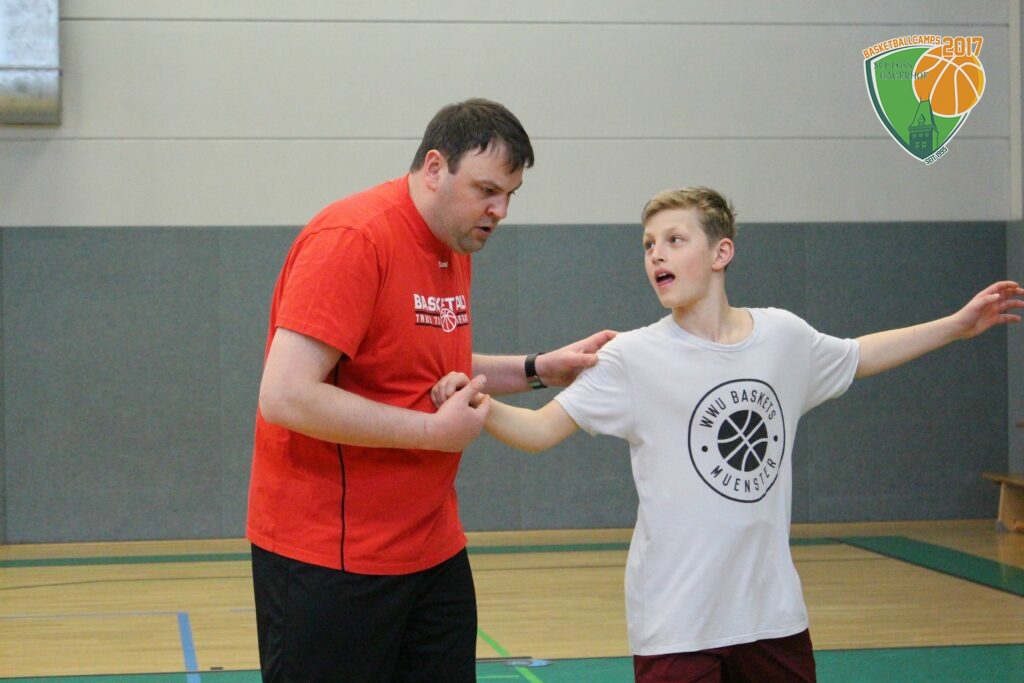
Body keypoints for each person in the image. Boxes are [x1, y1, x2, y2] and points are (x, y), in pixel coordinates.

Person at [448, 186, 1023, 683]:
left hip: (772, 616)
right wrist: (481, 403)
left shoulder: (783, 338)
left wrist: (955, 326)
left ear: (721, 252)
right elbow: (539, 431)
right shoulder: (633, 357)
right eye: (648, 245)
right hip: (676, 621)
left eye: (674, 240)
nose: (656, 254)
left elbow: (858, 355)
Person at [246, 97, 615, 682]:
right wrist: (431, 432)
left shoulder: (453, 240)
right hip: (332, 557)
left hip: (431, 548)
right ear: (436, 167)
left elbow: (419, 366)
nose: (500, 211)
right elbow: (286, 395)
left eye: (510, 195)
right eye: (487, 190)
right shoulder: (353, 238)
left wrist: (539, 369)